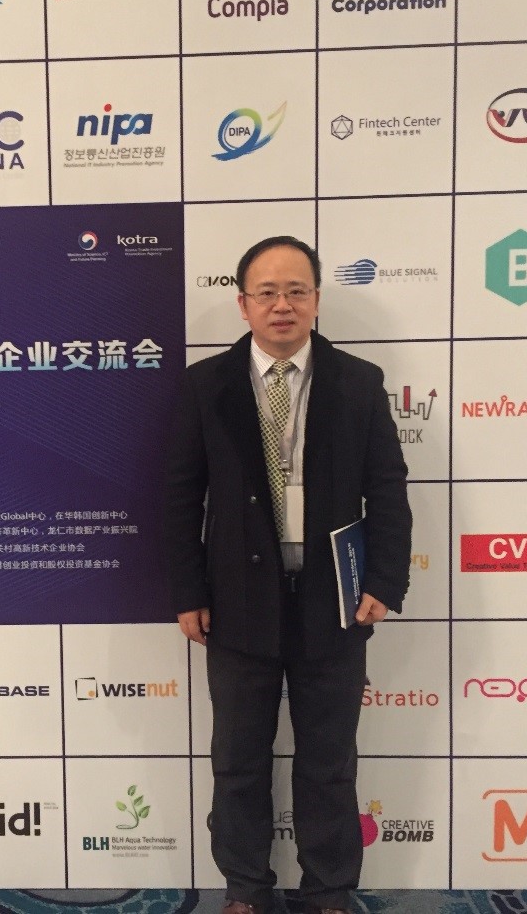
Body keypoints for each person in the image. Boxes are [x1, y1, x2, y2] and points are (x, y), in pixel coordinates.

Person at [162, 236, 411, 914]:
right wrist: (187, 591)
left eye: (296, 291)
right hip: (237, 601)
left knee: (328, 762)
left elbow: (387, 490)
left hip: (334, 600)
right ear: (243, 304)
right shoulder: (206, 384)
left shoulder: (357, 382)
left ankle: (328, 891)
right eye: (267, 292)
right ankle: (246, 888)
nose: (282, 305)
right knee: (238, 760)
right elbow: (180, 495)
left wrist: (383, 582)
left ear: (317, 301)